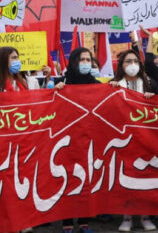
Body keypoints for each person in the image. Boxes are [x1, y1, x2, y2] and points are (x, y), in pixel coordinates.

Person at [109, 49, 158, 232]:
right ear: (121, 66)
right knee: (126, 178)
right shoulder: (115, 85)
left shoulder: (148, 83)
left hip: (146, 138)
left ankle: (145, 216)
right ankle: (127, 218)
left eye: (135, 61)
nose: (132, 65)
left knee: (146, 178)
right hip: (123, 138)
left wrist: (153, 98)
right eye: (127, 61)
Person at [59, 47, 98, 233]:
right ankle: (66, 223)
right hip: (66, 141)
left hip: (88, 140)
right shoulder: (62, 84)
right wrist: (55, 90)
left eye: (88, 59)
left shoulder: (97, 84)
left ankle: (84, 222)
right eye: (81, 59)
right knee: (67, 180)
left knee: (86, 181)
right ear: (74, 62)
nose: (85, 63)